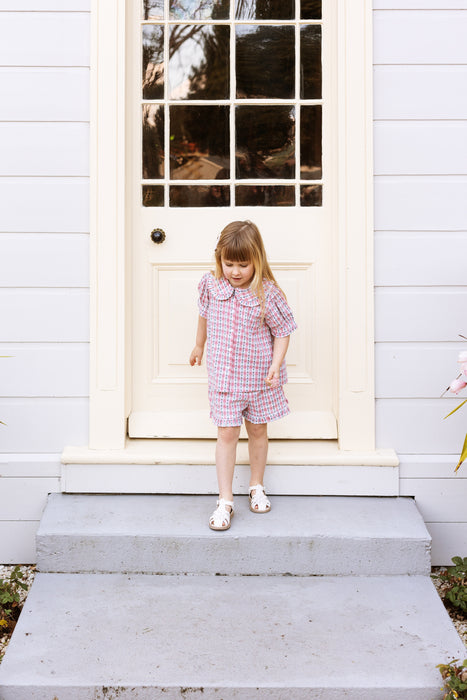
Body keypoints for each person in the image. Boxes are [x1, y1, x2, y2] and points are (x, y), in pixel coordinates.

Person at [189, 220, 297, 531]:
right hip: (224, 380)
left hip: (260, 380)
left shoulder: (268, 294)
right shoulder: (212, 286)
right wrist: (199, 345)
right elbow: (204, 319)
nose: (235, 271)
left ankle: (256, 485)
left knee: (258, 432)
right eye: (229, 263)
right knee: (226, 435)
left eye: (243, 264)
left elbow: (283, 332)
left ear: (257, 260)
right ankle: (225, 500)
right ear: (219, 258)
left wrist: (276, 365)